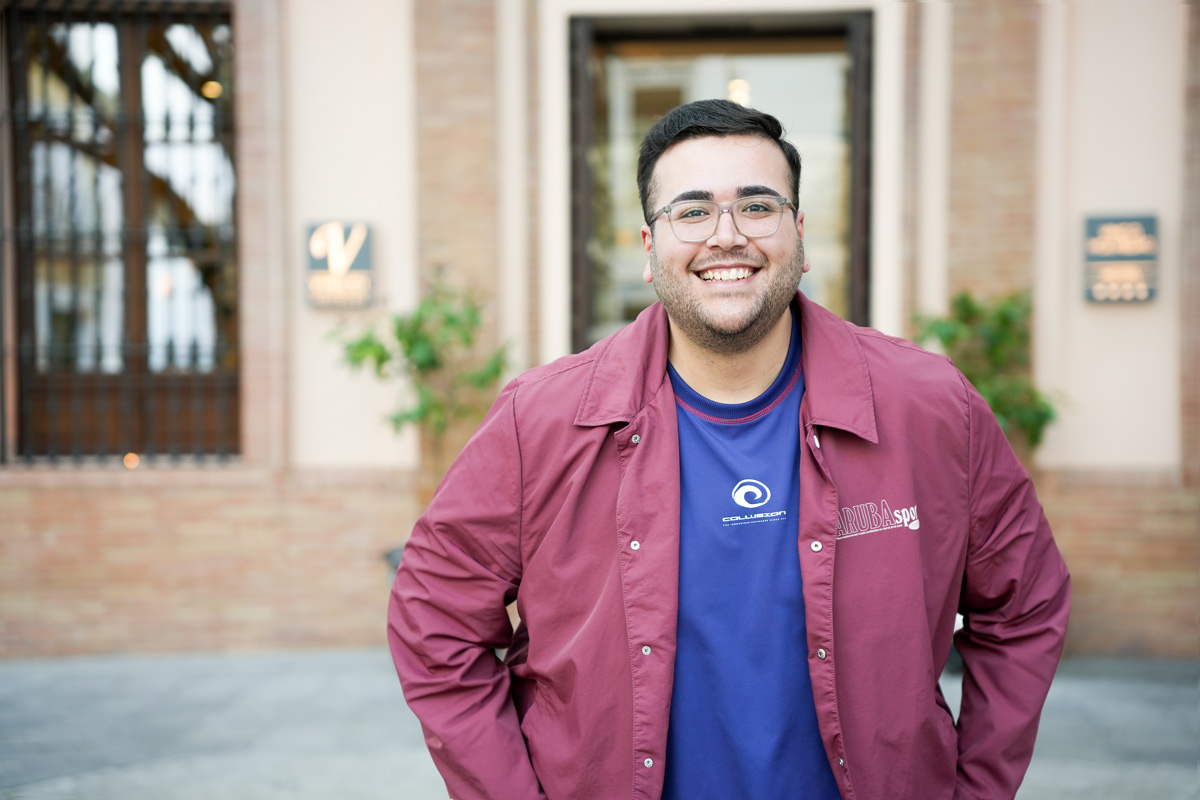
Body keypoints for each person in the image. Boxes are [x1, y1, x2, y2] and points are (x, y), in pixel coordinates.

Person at [388, 99, 1070, 800]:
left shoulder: (929, 406)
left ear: (798, 237)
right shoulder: (544, 420)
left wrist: (977, 788)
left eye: (757, 206)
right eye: (691, 212)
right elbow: (434, 621)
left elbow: (1025, 605)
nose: (727, 236)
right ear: (650, 250)